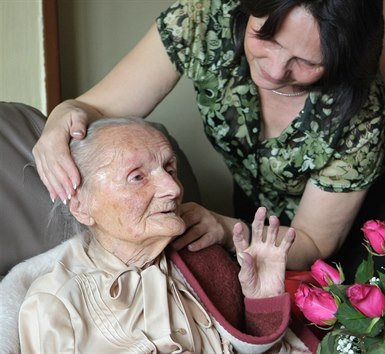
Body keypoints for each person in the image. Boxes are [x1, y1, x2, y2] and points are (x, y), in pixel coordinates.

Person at [32, 0, 385, 278]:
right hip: (257, 213)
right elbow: (96, 109)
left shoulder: (359, 113)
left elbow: (310, 242)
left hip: (367, 224)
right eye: (265, 39)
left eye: (305, 62)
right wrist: (63, 115)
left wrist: (224, 228)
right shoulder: (204, 20)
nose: (273, 71)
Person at [19, 117, 307, 353]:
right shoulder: (56, 304)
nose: (173, 188)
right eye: (137, 177)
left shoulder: (204, 260)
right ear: (81, 206)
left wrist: (263, 302)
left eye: (170, 169)